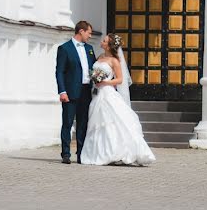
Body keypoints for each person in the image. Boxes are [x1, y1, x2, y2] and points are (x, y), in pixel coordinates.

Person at [80, 33, 156, 166]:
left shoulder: (114, 61)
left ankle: (120, 151)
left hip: (108, 93)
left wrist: (104, 82)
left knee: (113, 121)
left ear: (109, 46)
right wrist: (95, 79)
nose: (101, 42)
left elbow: (120, 79)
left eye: (104, 41)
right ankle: (103, 151)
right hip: (97, 94)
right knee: (99, 123)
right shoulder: (100, 57)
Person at [54, 21, 96, 164]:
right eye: (89, 33)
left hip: (86, 91)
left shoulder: (90, 49)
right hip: (70, 92)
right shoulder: (64, 49)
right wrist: (62, 91)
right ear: (81, 31)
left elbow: (93, 69)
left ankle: (81, 153)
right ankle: (66, 153)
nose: (90, 36)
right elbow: (59, 72)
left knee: (83, 123)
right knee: (67, 122)